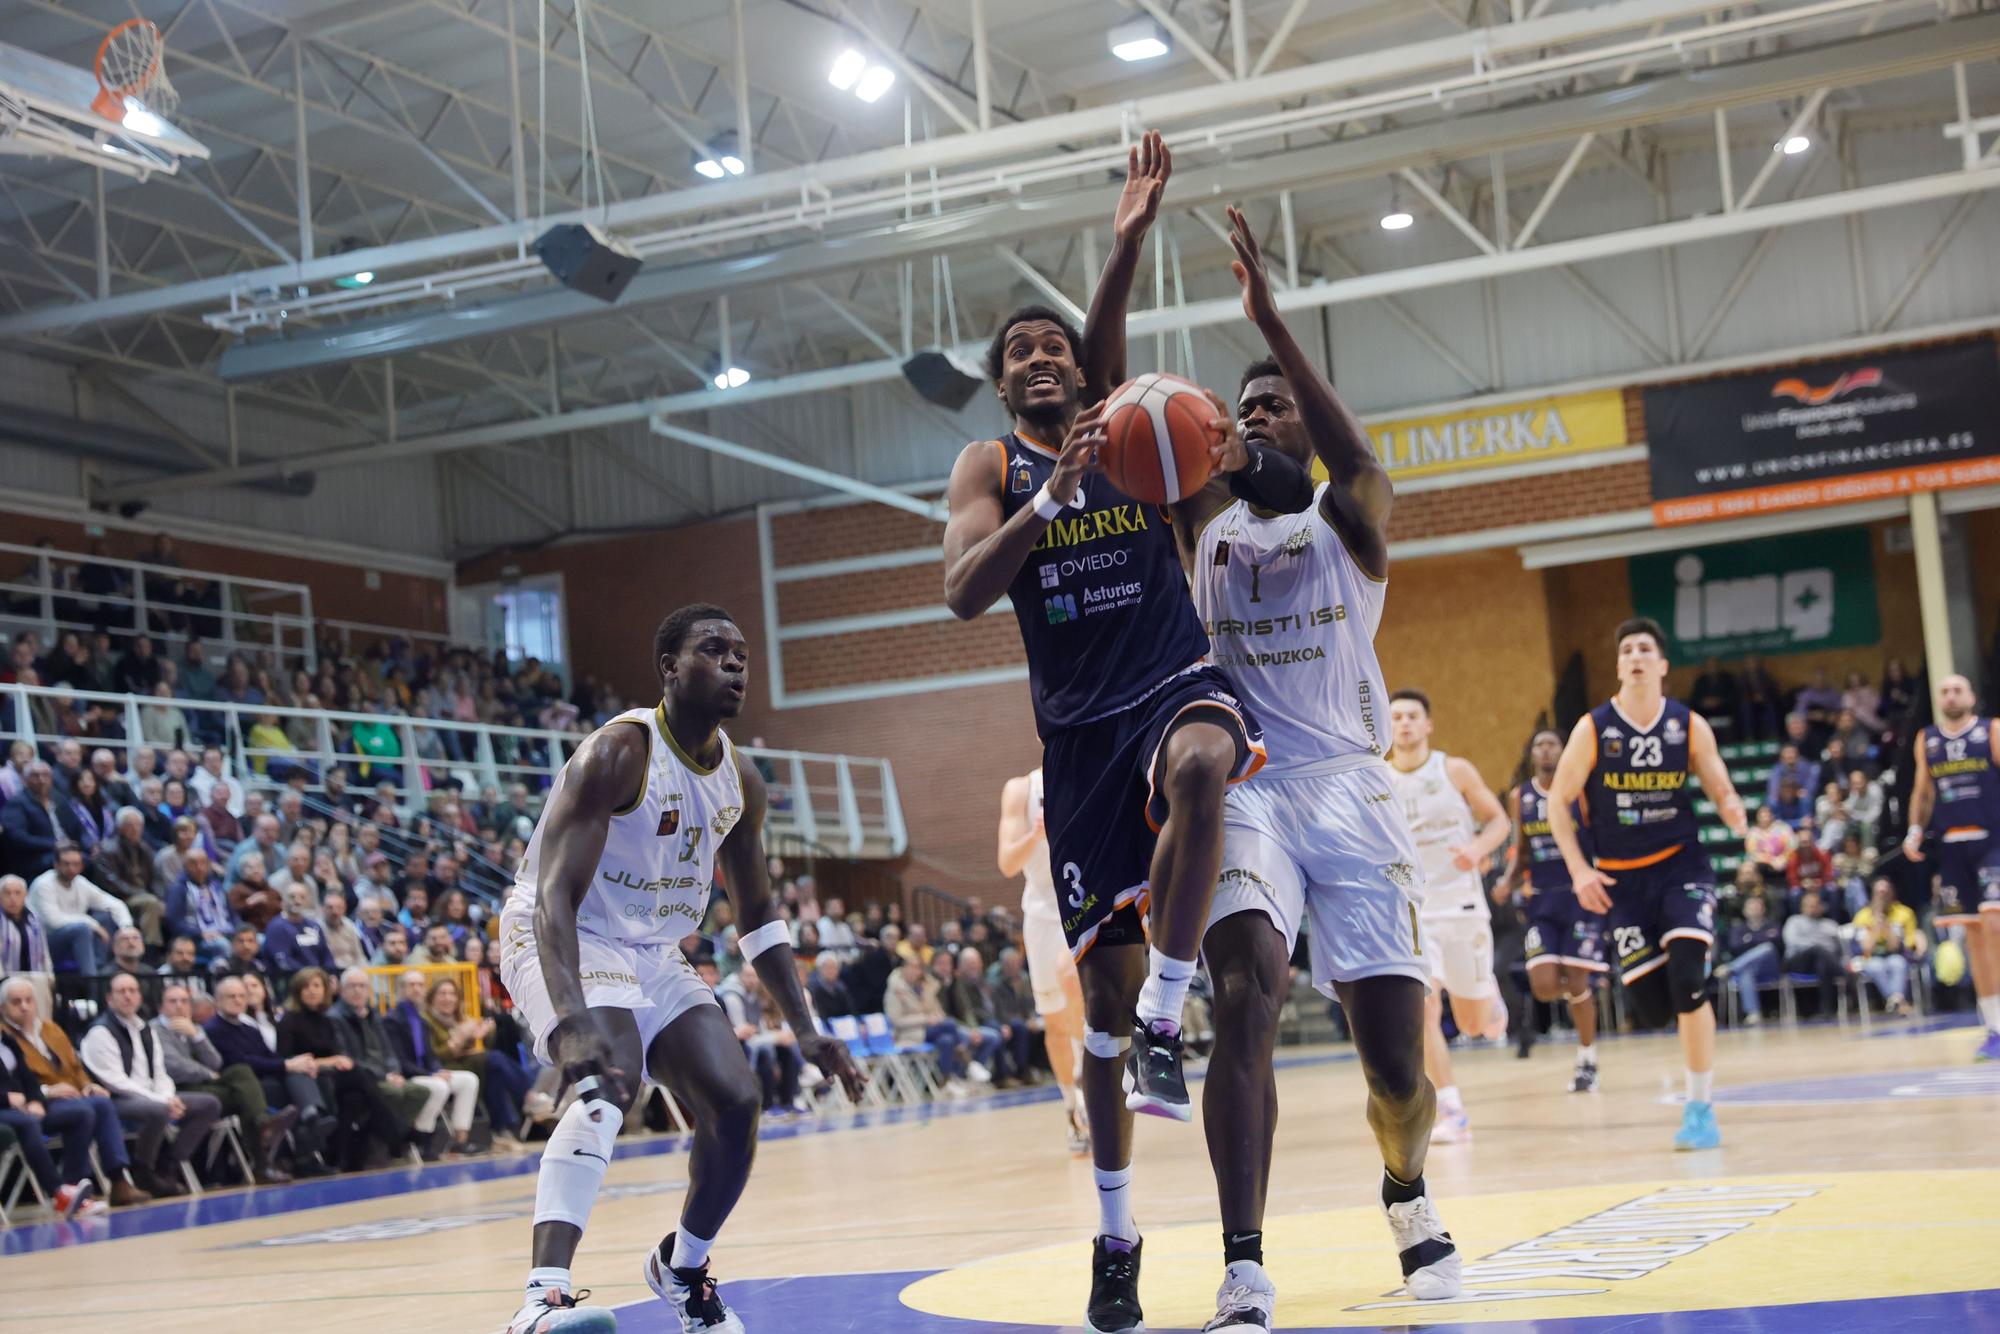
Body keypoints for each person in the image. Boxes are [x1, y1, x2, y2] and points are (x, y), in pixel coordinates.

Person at [941, 134, 1298, 1334]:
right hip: (1079, 740)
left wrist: (1127, 241)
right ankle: (1113, 1223)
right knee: (1092, 1002)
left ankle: (1170, 1013)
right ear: (1002, 389)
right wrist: (1045, 500)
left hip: (1167, 681)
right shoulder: (991, 466)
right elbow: (959, 592)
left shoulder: (1135, 431)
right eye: (1020, 353)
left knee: (1205, 762)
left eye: (1057, 346)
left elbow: (1107, 341)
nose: (1043, 358)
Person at [1179, 201, 1464, 1325]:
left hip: (1351, 790)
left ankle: (1404, 1187)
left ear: (1302, 420)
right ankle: (1242, 1259)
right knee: (1244, 992)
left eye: (1273, 404)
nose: (1254, 415)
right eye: (1242, 405)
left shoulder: (1350, 520)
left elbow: (1353, 462)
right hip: (1249, 792)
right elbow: (1152, 445)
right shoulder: (1198, 525)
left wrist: (1270, 322)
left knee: (1396, 1069)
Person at [497, 603, 861, 1334]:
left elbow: (758, 915)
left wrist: (807, 1029)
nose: (734, 665)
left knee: (736, 1101)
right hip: (565, 933)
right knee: (608, 1082)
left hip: (653, 951)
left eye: (742, 655)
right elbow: (555, 900)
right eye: (713, 651)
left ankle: (684, 1271)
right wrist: (568, 1019)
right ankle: (541, 1298)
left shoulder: (741, 779)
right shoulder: (620, 753)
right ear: (669, 668)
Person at [1548, 617, 1748, 1150]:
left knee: (1689, 981)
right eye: (1627, 650)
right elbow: (1556, 802)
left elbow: (1722, 789)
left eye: (1645, 649)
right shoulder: (1594, 728)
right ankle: (1693, 1089)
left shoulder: (1689, 725)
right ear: (1619, 666)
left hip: (1682, 868)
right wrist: (1579, 870)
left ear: (1662, 666)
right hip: (1622, 884)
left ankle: (1700, 1108)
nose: (1635, 656)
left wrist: (1738, 815)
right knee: (1654, 1009)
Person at [1384, 689, 1511, 1144]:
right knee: (1423, 1006)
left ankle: (1487, 998)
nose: (1404, 723)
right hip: (1412, 910)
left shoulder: (1453, 770)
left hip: (1461, 907)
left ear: (1428, 724)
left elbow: (1499, 821)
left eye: (1412, 716)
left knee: (1475, 1024)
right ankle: (1450, 1106)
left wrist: (1478, 849)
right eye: (1396, 716)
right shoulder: (1377, 777)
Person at [1901, 674, 2000, 1059]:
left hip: (1993, 841)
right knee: (1973, 934)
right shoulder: (1927, 740)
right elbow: (1923, 791)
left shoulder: (1990, 731)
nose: (1951, 694)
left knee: (1995, 923)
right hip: (1953, 847)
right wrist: (1914, 829)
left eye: (1958, 688)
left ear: (1972, 696)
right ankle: (1993, 1026)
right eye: (1944, 690)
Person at [998, 768, 1089, 1155]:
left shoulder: (1089, 774)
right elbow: (1006, 862)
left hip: (1086, 901)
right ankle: (1072, 1105)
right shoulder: (1021, 789)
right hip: (1041, 913)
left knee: (1074, 985)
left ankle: (1090, 1088)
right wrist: (1035, 834)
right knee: (1055, 1020)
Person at [1511, 729, 1609, 1090]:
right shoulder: (1519, 796)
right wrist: (1508, 880)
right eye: (1539, 744)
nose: (1546, 750)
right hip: (1542, 898)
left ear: (1564, 751)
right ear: (1532, 753)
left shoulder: (1580, 791)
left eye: (1553, 744)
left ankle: (1587, 1061)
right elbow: (1522, 846)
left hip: (1579, 895)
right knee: (1544, 985)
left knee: (1578, 978)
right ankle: (1581, 984)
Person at [1, 975, 151, 1204]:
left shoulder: (51, 1029)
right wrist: (45, 1092)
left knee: (101, 1103)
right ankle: (72, 1186)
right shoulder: (7, 1035)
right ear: (3, 1007)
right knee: (82, 1112)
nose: (24, 1007)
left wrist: (87, 1085)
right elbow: (22, 1080)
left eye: (29, 1000)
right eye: (16, 1002)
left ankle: (118, 1180)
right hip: (46, 1101)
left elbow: (75, 1065)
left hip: (62, 1096)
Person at [80, 971, 221, 1196]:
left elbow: (160, 1073)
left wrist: (168, 1096)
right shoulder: (100, 1032)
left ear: (140, 997)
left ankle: (168, 1165)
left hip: (153, 1096)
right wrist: (162, 1101)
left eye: (132, 991)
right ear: (109, 998)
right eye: (121, 991)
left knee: (209, 1104)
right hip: (117, 1100)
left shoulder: (146, 1029)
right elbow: (116, 1081)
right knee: (158, 1110)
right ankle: (143, 1170)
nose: (127, 996)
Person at [151, 981, 295, 1183]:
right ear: (161, 1007)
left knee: (241, 1076)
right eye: (172, 1001)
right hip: (173, 1089)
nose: (179, 1006)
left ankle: (262, 1136)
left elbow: (215, 1062)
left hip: (200, 1086)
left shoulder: (193, 1028)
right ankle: (262, 1158)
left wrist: (197, 1036)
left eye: (184, 1001)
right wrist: (209, 1074)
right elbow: (175, 1067)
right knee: (245, 1096)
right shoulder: (156, 1030)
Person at [278, 967, 409, 1170]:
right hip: (307, 1078)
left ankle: (340, 1158)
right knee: (360, 1074)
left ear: (325, 990)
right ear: (297, 991)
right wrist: (327, 1062)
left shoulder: (326, 1018)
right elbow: (286, 1058)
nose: (311, 991)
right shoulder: (289, 1020)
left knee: (353, 1099)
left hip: (331, 1075)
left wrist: (333, 1061)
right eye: (306, 987)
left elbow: (339, 1052)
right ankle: (395, 1131)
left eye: (316, 986)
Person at [0, 1022, 109, 1216]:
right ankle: (58, 1193)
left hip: (24, 1106)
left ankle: (72, 1187)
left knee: (80, 1115)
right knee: (28, 1123)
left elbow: (28, 1079)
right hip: (6, 1109)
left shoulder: (8, 1040)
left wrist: (36, 1100)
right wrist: (7, 1099)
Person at [29, 843, 131, 975]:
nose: (71, 868)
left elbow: (114, 904)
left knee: (105, 917)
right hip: (45, 941)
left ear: (82, 866)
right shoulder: (43, 884)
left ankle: (100, 969)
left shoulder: (80, 882)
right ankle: (91, 981)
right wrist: (92, 924)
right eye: (66, 864)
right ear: (56, 864)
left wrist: (126, 928)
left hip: (77, 938)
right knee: (82, 929)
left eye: (76, 864)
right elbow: (54, 921)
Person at [90, 806, 166, 947]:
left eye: (138, 825)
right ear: (120, 827)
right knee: (151, 903)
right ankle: (151, 948)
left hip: (143, 894)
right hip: (120, 898)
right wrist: (140, 893)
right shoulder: (107, 849)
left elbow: (155, 878)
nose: (135, 829)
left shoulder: (144, 848)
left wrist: (160, 896)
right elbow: (111, 882)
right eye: (130, 825)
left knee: (165, 904)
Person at [1852, 879, 1924, 1016]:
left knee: (1898, 963)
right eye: (1879, 893)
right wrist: (1876, 924)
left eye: (1885, 892)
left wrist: (1886, 924)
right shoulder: (1862, 916)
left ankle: (1894, 1001)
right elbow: (1866, 948)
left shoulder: (1904, 913)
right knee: (1876, 966)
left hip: (1894, 955)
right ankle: (1899, 1001)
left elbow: (1894, 946)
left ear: (1892, 893)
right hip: (1870, 957)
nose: (1882, 896)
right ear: (1872, 894)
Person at [165, 847, 236, 965]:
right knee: (222, 945)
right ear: (185, 866)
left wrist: (238, 930)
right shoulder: (178, 889)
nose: (199, 867)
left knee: (259, 940)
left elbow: (233, 915)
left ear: (209, 864)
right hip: (198, 937)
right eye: (193, 863)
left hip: (225, 931)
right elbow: (174, 921)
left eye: (203, 862)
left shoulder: (217, 886)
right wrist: (200, 933)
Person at [1781, 890, 1844, 1019]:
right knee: (1818, 950)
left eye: (1815, 905)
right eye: (1809, 905)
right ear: (1802, 907)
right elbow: (1793, 942)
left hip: (1824, 963)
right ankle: (1845, 974)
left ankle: (1826, 1010)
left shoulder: (1831, 925)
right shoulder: (1794, 921)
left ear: (1821, 907)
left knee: (1823, 964)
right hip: (1798, 961)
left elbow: (1837, 948)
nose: (1812, 908)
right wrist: (1817, 945)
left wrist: (1820, 949)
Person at [1723, 895, 1782, 1026]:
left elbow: (1777, 944)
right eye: (1751, 906)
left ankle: (1731, 967)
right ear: (1744, 911)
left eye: (1758, 905)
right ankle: (1753, 1013)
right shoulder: (1738, 930)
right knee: (1746, 971)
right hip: (1749, 967)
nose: (1755, 908)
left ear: (1764, 909)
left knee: (1767, 948)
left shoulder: (1774, 925)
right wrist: (1761, 938)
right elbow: (1735, 947)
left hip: (1771, 967)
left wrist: (1751, 940)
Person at [0, 873, 51, 975]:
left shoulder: (34, 918)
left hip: (34, 976)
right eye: (7, 893)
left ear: (25, 895)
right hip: (5, 979)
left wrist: (49, 976)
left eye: (17, 893)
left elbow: (44, 952)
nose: (12, 898)